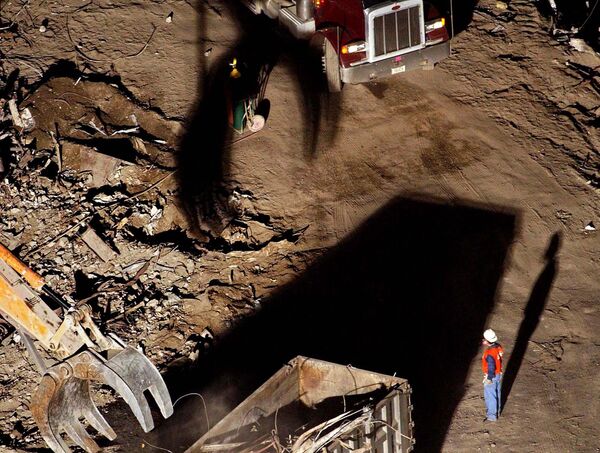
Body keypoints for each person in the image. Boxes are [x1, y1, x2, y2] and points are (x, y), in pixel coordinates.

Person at [482, 328, 504, 421]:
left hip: (492, 376)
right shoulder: (498, 347)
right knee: (497, 393)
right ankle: (497, 412)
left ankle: (491, 416)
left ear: (487, 341)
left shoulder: (490, 353)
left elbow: (491, 367)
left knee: (490, 395)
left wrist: (489, 378)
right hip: (498, 374)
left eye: (484, 339)